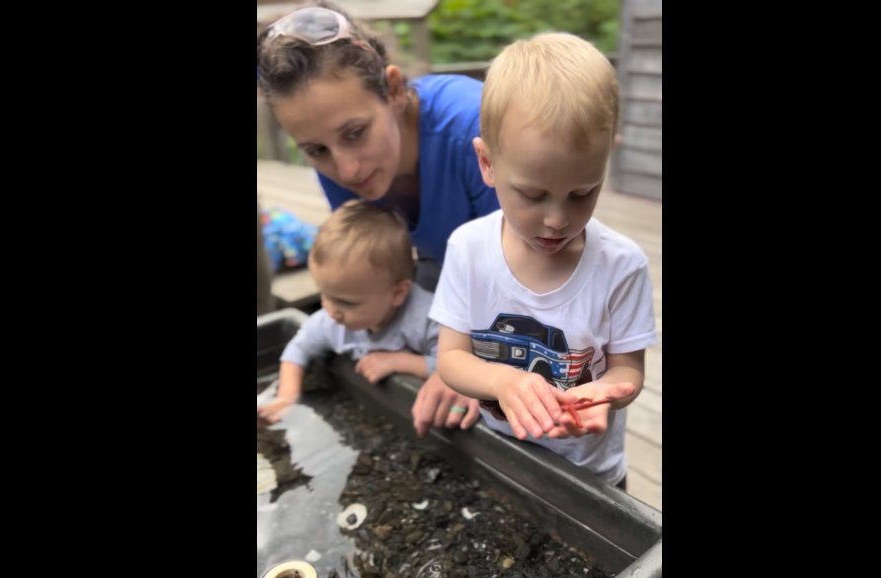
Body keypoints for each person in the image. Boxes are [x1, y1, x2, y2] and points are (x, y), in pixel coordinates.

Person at [256, 0, 496, 434]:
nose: (346, 172)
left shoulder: (473, 129)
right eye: (316, 150)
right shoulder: (341, 161)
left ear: (393, 89)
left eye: (355, 133)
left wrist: (468, 363)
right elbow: (374, 260)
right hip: (434, 270)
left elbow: (530, 269)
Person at [429, 33, 657, 487]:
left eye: (582, 192)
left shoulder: (622, 265)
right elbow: (451, 358)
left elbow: (628, 368)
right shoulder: (468, 248)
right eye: (533, 194)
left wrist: (602, 394)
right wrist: (502, 383)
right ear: (487, 163)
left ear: (605, 159)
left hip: (591, 475)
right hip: (504, 454)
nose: (557, 220)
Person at [258, 200, 480, 432]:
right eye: (324, 294)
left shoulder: (429, 318)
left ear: (398, 293)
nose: (330, 308)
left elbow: (459, 364)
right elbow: (297, 349)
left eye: (345, 302)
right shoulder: (332, 320)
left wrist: (401, 362)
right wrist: (286, 397)